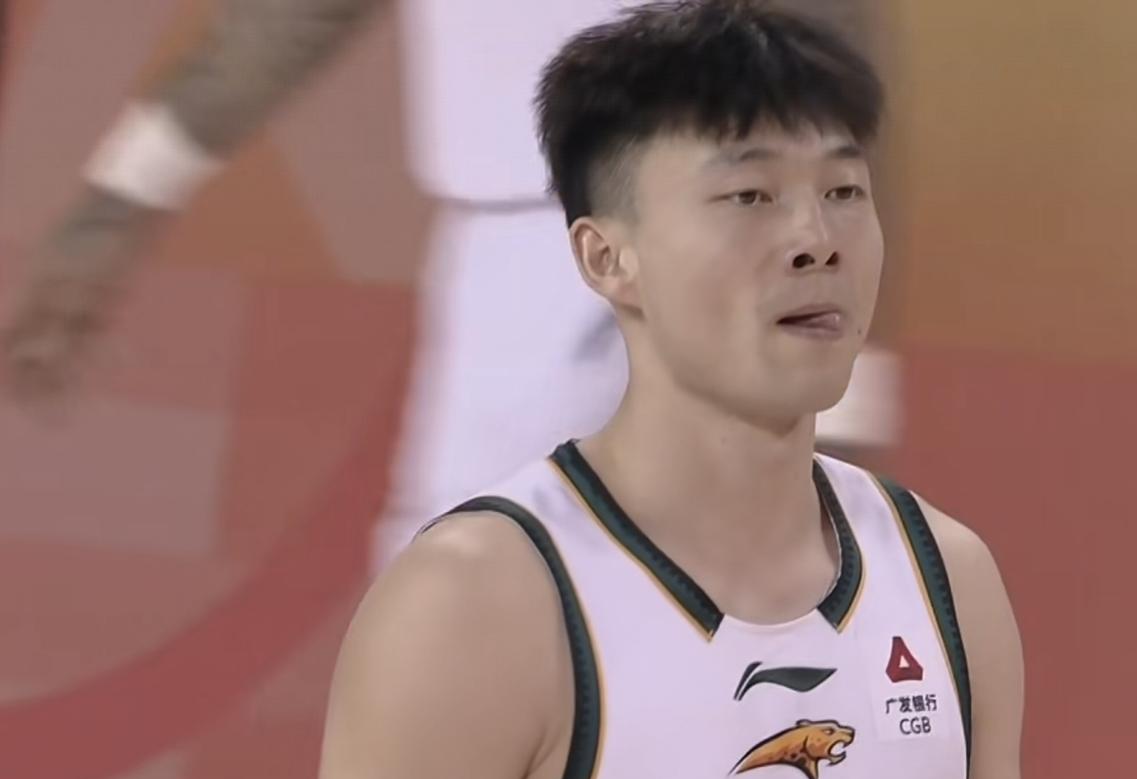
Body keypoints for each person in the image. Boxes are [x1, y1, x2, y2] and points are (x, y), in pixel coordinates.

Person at [312, 2, 1054, 779]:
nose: (816, 239)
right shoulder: (466, 611)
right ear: (607, 257)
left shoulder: (949, 581)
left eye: (844, 191)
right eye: (751, 196)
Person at [0, 0, 899, 575]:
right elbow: (279, 29)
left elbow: (822, 57)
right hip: (529, 245)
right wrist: (110, 215)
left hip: (635, 240)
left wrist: (841, 370)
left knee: (469, 620)